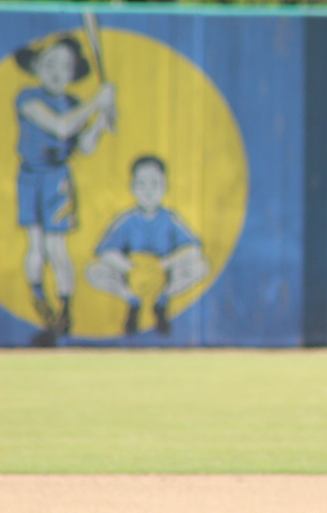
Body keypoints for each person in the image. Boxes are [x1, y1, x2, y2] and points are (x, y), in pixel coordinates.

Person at [15, 36, 116, 346]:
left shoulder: (73, 104)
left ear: (74, 73)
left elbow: (82, 145)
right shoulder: (28, 97)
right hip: (30, 177)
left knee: (55, 248)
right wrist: (96, 102)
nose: (57, 72)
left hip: (58, 179)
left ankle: (64, 311)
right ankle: (39, 301)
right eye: (49, 64)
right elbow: (60, 127)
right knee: (36, 246)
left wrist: (100, 120)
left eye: (65, 66)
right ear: (36, 68)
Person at [85, 155, 209, 336]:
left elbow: (193, 249)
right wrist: (129, 267)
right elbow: (104, 252)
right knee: (94, 270)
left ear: (165, 187)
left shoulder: (169, 219)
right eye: (142, 185)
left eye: (155, 185)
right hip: (132, 276)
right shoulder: (127, 220)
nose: (148, 192)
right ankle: (133, 303)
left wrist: (165, 264)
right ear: (132, 188)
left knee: (201, 266)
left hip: (163, 276)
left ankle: (161, 302)